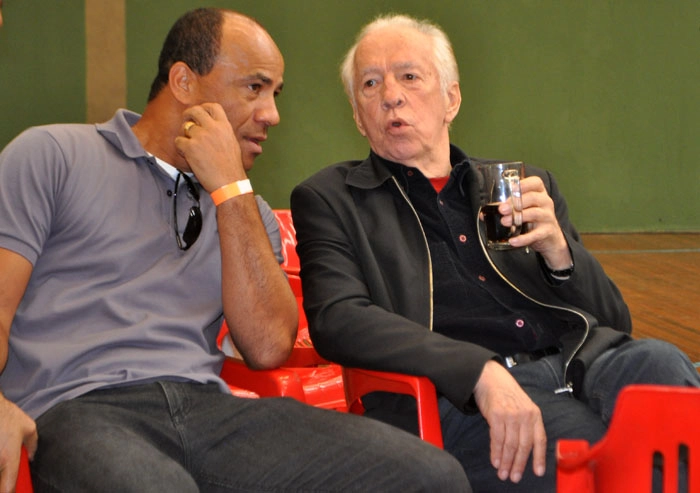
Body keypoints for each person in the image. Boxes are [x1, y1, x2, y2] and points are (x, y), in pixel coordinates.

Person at [0, 8, 471, 492]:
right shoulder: (52, 156)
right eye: (254, 88)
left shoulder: (245, 209)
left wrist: (229, 190)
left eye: (274, 94)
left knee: (430, 476)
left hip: (207, 409)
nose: (272, 115)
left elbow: (267, 348)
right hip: (77, 408)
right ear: (183, 82)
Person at [290, 13, 700, 492]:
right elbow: (339, 319)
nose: (391, 95)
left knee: (664, 367)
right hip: (462, 396)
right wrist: (476, 371)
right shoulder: (331, 198)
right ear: (359, 117)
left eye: (409, 77)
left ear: (452, 98)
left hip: (577, 362)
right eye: (370, 84)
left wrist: (560, 254)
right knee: (609, 455)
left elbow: (615, 320)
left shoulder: (521, 186)